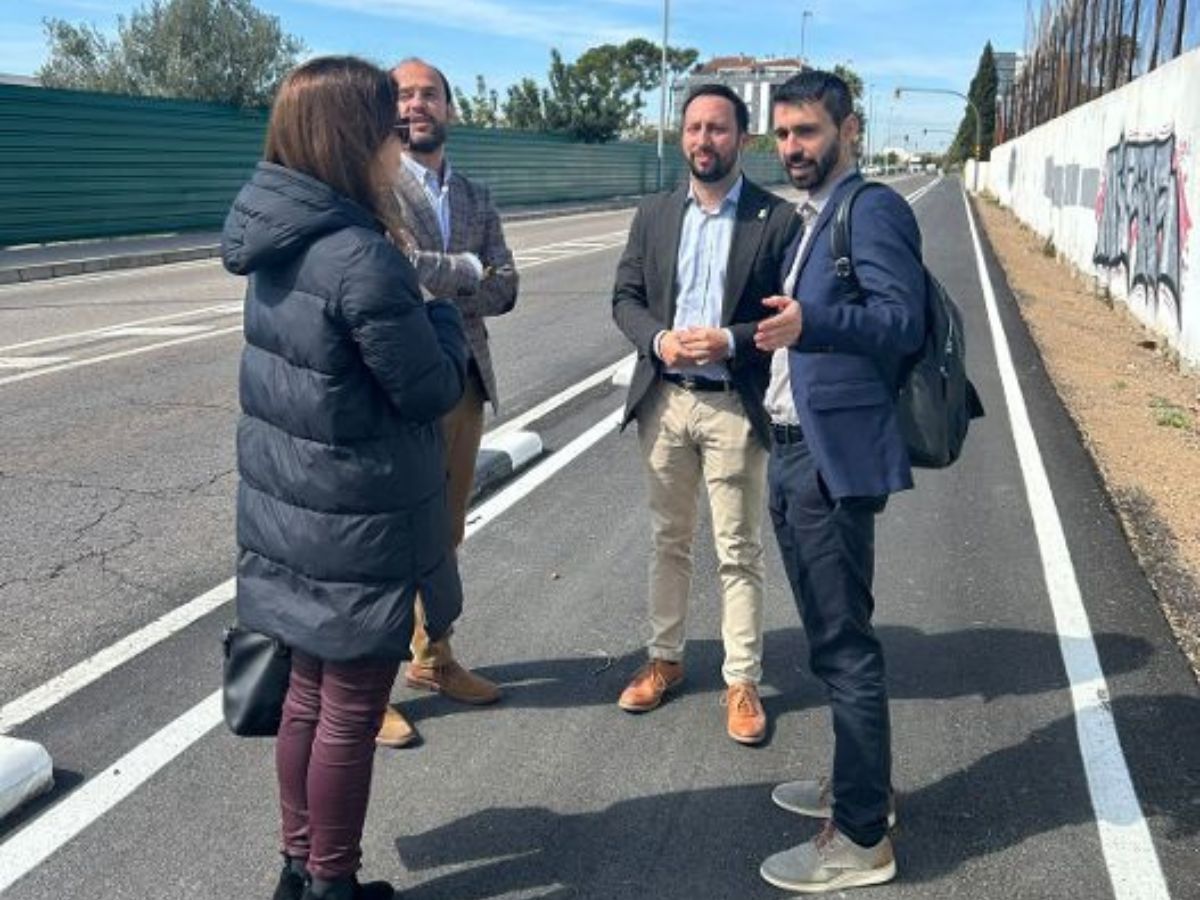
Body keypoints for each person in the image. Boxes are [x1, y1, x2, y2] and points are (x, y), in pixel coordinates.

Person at [221, 56, 468, 900]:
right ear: (353, 137)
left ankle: (298, 868)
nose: (398, 141)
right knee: (351, 709)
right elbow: (429, 388)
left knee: (305, 696)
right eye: (387, 126)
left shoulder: (275, 241)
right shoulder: (361, 256)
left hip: (293, 510)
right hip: (357, 518)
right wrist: (440, 310)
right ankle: (333, 883)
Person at [753, 70, 926, 892]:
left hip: (829, 462)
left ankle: (861, 837)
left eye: (808, 133)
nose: (792, 148)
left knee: (845, 649)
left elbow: (902, 322)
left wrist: (812, 322)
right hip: (792, 449)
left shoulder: (872, 209)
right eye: (783, 134)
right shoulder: (811, 221)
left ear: (847, 131)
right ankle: (861, 788)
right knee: (834, 639)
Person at [611, 84, 800, 745]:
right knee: (668, 540)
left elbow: (787, 315)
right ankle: (664, 660)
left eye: (717, 129)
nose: (703, 140)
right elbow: (626, 297)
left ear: (741, 139)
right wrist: (658, 340)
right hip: (664, 400)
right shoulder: (656, 213)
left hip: (732, 407)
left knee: (737, 550)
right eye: (693, 128)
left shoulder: (776, 221)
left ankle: (742, 680)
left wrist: (732, 340)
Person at [375, 57, 519, 748]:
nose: (417, 105)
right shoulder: (374, 187)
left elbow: (507, 287)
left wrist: (450, 279)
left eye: (429, 93)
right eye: (404, 95)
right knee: (383, 537)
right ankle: (368, 687)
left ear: (450, 109)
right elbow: (391, 275)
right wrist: (466, 271)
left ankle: (432, 657)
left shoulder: (477, 195)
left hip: (463, 380)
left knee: (446, 532)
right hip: (398, 384)